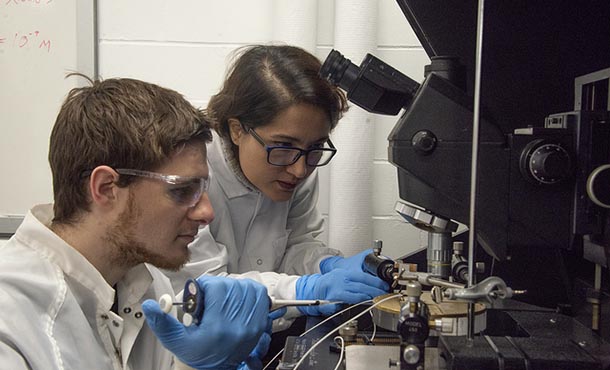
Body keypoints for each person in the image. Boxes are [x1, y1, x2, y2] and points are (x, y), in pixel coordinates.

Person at [0, 75, 272, 370]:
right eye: (183, 190)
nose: (207, 212)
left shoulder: (144, 280)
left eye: (204, 189)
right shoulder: (11, 320)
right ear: (106, 188)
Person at [165, 44, 389, 325]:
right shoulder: (192, 176)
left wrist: (326, 264)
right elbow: (204, 289)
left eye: (315, 147)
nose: (299, 169)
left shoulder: (298, 164)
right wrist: (305, 290)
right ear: (237, 130)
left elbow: (296, 246)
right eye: (283, 145)